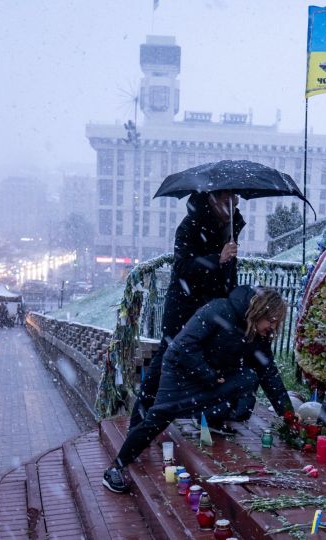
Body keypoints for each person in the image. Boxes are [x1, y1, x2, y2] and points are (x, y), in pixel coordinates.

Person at [103, 286, 293, 494]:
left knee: (248, 378)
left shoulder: (257, 334)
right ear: (259, 311)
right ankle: (116, 466)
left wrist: (288, 414)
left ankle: (210, 416)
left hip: (210, 374)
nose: (274, 328)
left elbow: (268, 371)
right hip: (180, 369)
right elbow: (184, 347)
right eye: (272, 321)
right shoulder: (219, 311)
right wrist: (209, 376)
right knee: (158, 419)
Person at [128, 190, 245, 431]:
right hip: (184, 307)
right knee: (167, 359)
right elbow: (182, 266)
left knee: (215, 360)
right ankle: (139, 422)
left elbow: (228, 274)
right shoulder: (190, 226)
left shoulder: (231, 227)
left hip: (213, 309)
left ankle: (212, 418)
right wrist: (217, 259)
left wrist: (230, 301)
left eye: (235, 201)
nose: (232, 206)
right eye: (226, 201)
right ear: (212, 199)